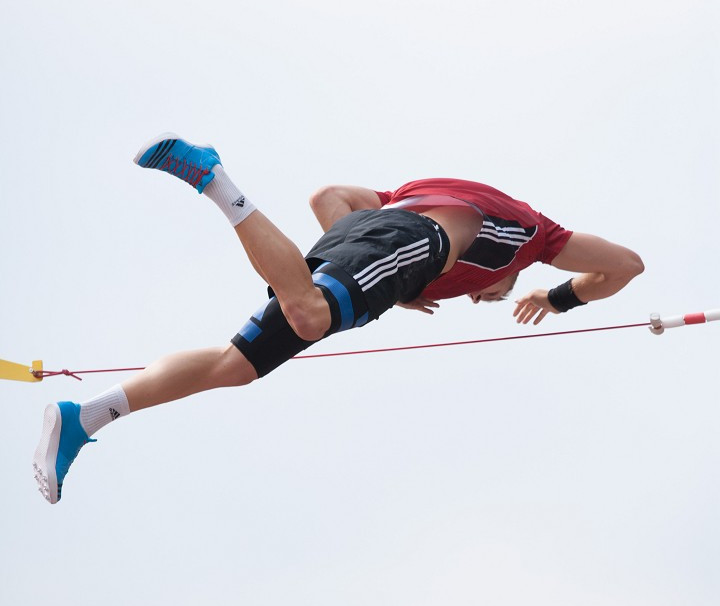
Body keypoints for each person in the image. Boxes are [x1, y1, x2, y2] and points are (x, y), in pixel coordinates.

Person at [32, 133, 645, 504]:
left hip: (380, 243)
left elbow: (330, 200)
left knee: (237, 365)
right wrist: (555, 298)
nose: (486, 295)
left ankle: (86, 415)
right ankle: (210, 176)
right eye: (495, 291)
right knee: (306, 312)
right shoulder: (535, 238)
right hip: (414, 241)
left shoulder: (417, 191)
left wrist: (361, 267)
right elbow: (625, 266)